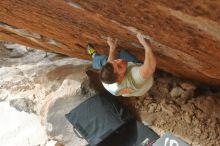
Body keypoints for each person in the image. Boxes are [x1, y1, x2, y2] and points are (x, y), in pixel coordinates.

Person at [87, 32, 156, 97]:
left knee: (102, 61)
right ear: (119, 78)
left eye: (116, 61)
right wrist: (147, 47)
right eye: (119, 66)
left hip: (122, 75)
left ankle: (94, 56)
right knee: (131, 58)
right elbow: (150, 68)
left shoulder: (107, 79)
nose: (120, 60)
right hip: (144, 84)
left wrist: (112, 48)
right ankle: (98, 59)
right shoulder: (133, 78)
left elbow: (110, 63)